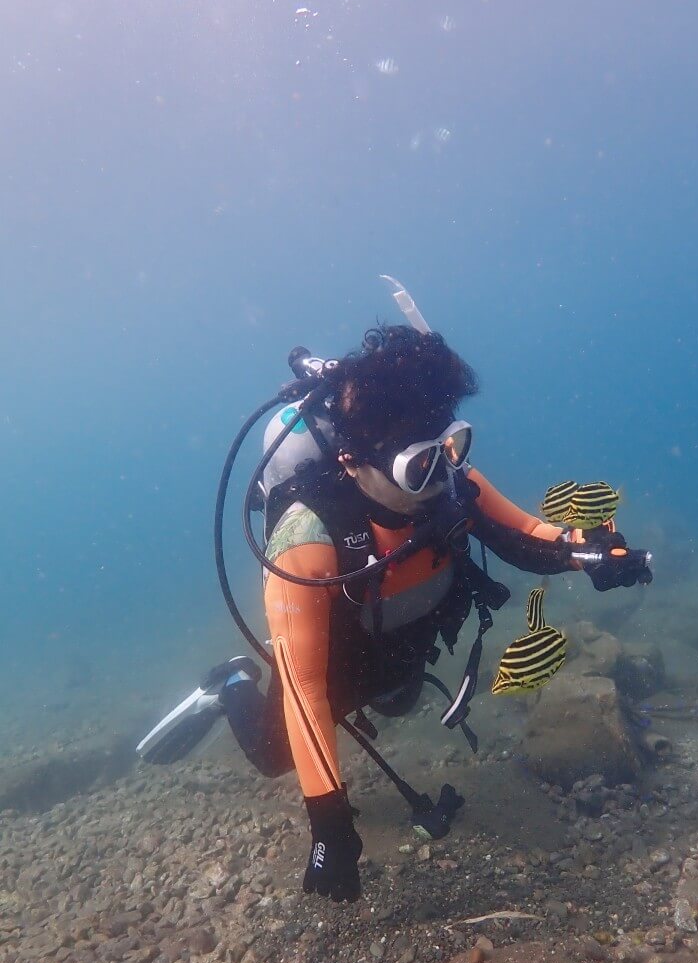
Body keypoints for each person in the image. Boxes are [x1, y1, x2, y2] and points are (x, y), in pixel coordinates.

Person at [140, 323, 652, 903]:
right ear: (352, 461)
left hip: (400, 639)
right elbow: (307, 688)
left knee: (400, 697)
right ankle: (231, 683)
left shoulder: (452, 485)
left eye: (453, 448)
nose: (443, 477)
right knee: (273, 755)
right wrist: (330, 823)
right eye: (420, 466)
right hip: (335, 661)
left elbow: (529, 537)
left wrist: (590, 554)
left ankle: (362, 685)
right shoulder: (305, 541)